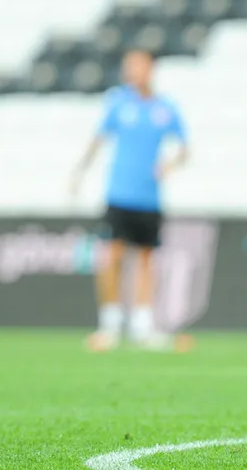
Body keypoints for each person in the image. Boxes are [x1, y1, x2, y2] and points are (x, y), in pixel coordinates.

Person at [71, 50, 189, 352]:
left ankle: (142, 325)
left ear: (151, 69)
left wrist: (170, 165)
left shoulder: (166, 108)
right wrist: (80, 172)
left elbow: (184, 149)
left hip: (149, 198)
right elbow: (98, 139)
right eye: (129, 67)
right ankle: (109, 325)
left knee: (146, 260)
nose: (132, 72)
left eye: (138, 66)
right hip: (119, 195)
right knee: (111, 257)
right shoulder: (119, 103)